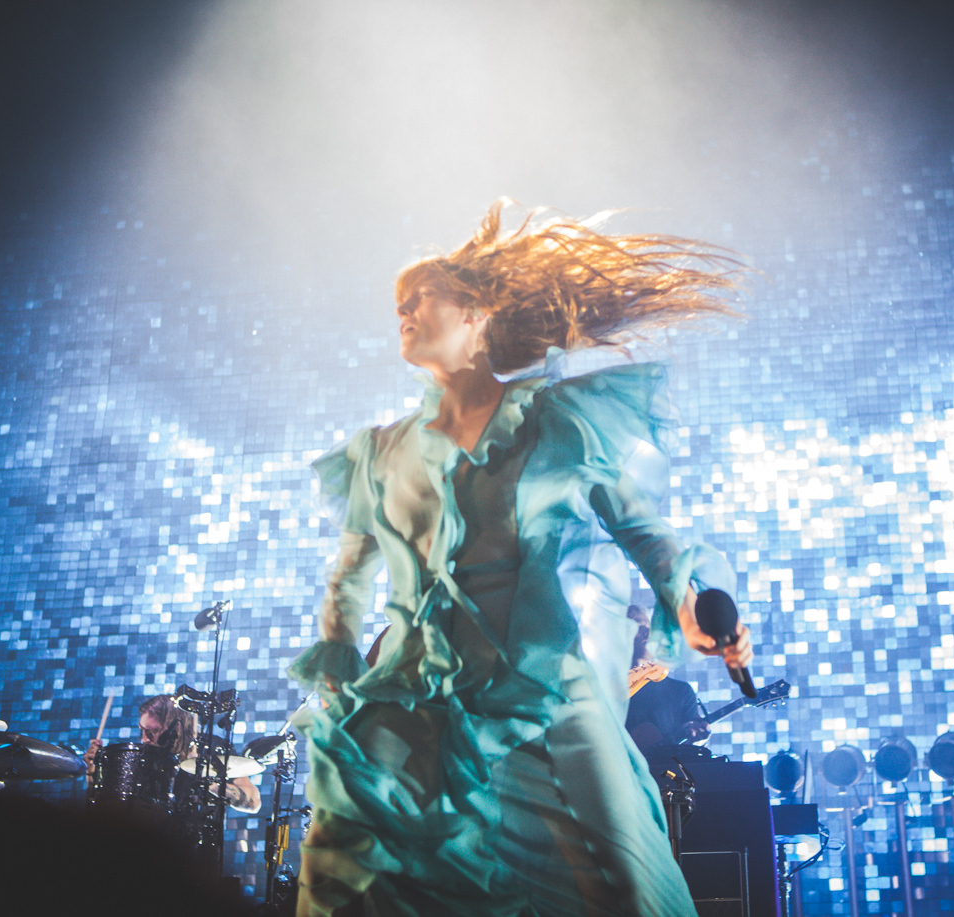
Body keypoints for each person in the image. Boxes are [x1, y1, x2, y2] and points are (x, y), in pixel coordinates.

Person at [288, 201, 753, 917]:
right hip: (424, 686)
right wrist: (338, 658)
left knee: (615, 876)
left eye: (420, 299)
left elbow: (642, 528)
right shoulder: (385, 452)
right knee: (350, 862)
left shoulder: (557, 421)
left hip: (542, 686)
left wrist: (687, 602)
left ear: (474, 314)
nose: (403, 314)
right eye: (397, 306)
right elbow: (350, 573)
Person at [84, 694, 261, 814]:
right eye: (142, 731)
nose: (145, 739)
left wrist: (210, 783)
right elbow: (107, 807)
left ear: (175, 727)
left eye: (152, 732)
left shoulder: (212, 748)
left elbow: (253, 802)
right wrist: (93, 773)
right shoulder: (144, 756)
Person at [625, 604, 710, 755]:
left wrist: (698, 739)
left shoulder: (681, 691)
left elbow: (692, 743)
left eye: (649, 628)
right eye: (638, 626)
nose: (647, 633)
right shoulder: (604, 688)